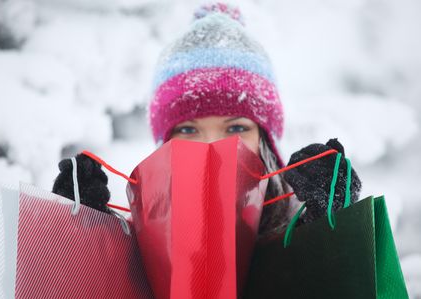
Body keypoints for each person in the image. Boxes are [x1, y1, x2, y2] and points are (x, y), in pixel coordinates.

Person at [52, 2, 361, 238]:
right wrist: (81, 242)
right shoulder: (137, 243)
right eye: (188, 129)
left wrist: (335, 233)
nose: (212, 146)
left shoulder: (299, 228)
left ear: (265, 141)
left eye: (237, 127)